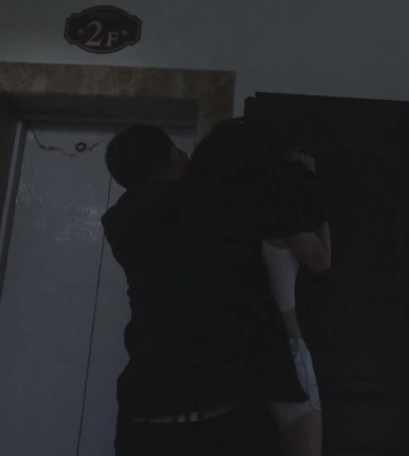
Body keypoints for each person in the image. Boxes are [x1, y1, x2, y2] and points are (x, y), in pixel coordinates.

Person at [101, 123, 307, 456]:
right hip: (224, 407)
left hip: (146, 409)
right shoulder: (214, 204)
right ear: (175, 154)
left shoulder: (122, 226)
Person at [262, 148, 330, 456]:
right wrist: (318, 203)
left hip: (261, 347)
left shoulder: (254, 226)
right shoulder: (287, 228)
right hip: (288, 348)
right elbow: (323, 260)